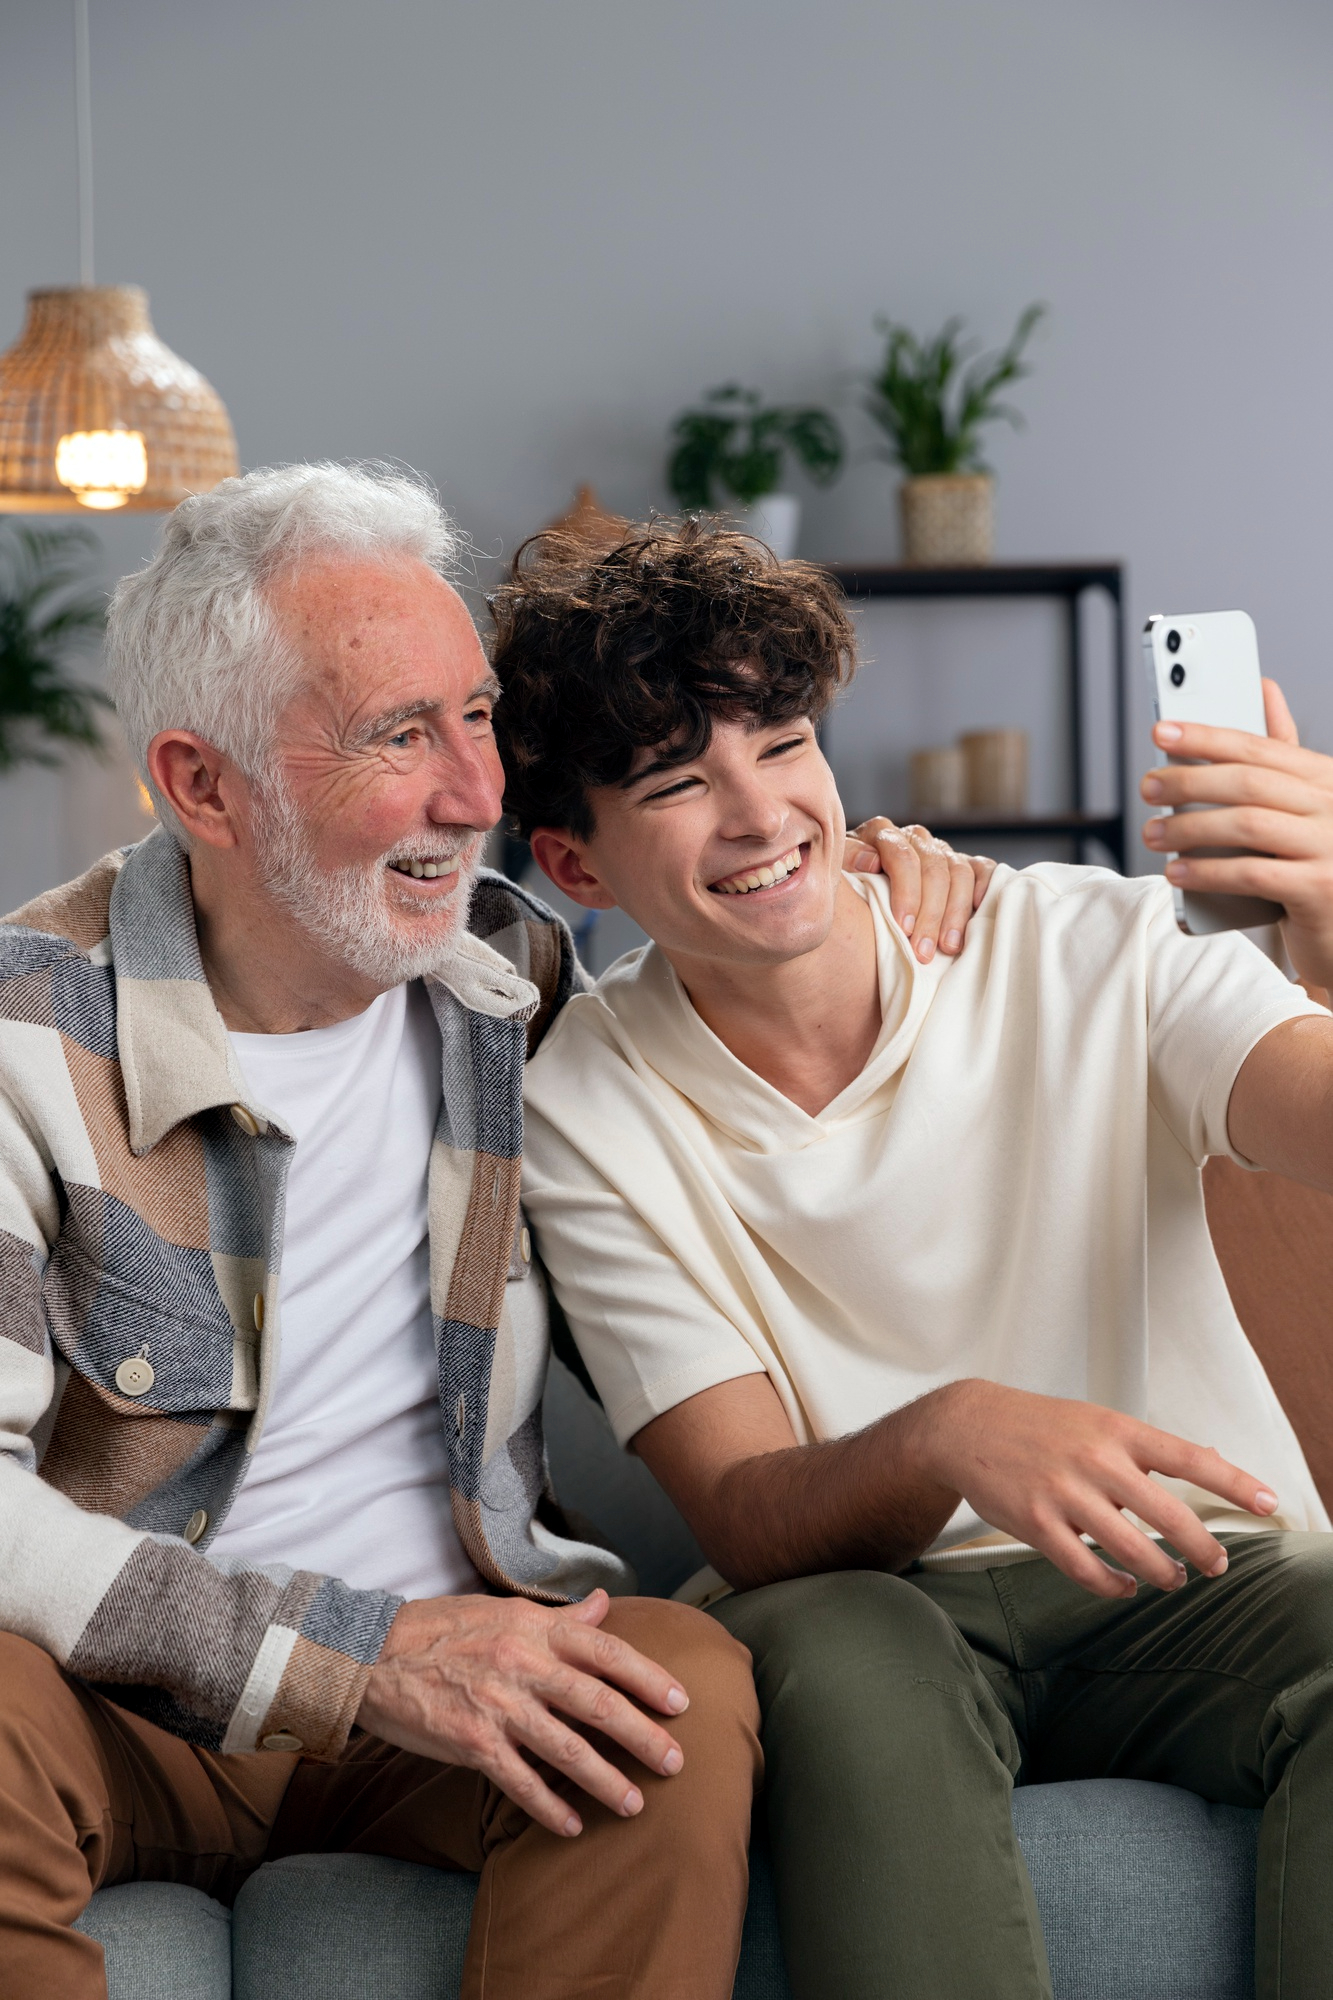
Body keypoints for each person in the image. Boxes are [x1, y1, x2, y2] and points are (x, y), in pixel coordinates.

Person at [0, 463, 981, 1998]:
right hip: (120, 1703)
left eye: (475, 717)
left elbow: (759, 1084)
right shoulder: (24, 1035)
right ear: (203, 786)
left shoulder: (510, 984)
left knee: (670, 1687)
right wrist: (353, 1658)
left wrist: (874, 898)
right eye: (401, 734)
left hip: (467, 1679)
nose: (477, 793)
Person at [497, 517, 1333, 2000]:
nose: (761, 817)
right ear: (578, 862)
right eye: (682, 783)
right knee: (848, 1643)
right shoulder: (579, 1100)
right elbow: (750, 1513)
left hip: (1177, 1573)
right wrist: (953, 1431)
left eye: (785, 744)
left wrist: (1329, 924)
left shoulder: (1091, 942)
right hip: (865, 1598)